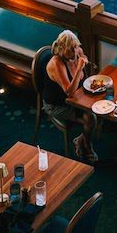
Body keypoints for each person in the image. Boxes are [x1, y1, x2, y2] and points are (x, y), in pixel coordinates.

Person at [43, 31, 98, 162]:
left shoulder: (77, 51)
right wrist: (79, 69)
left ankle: (80, 139)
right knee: (91, 118)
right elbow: (69, 92)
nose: (75, 51)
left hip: (76, 99)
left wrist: (84, 59)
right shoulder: (56, 63)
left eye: (76, 46)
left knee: (102, 107)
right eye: (71, 49)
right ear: (62, 49)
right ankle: (87, 146)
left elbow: (83, 56)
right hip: (57, 105)